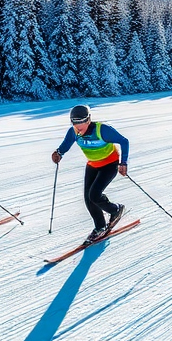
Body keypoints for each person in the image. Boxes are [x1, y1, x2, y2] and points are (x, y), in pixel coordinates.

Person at [51, 104, 130, 244]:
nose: (78, 125)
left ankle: (115, 210)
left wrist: (123, 163)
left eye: (81, 121)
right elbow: (65, 145)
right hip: (92, 165)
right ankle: (100, 227)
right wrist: (58, 153)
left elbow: (124, 141)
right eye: (74, 122)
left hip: (109, 164)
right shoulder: (74, 132)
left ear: (88, 120)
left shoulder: (102, 130)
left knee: (94, 195)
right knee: (88, 198)